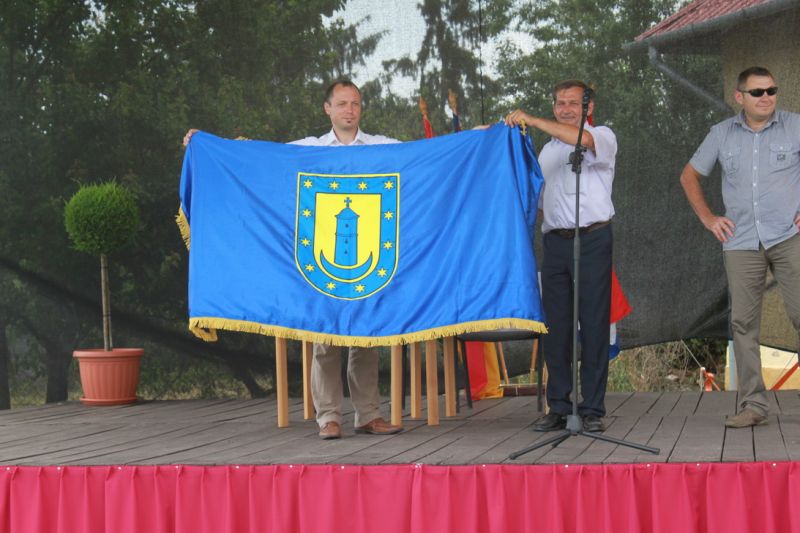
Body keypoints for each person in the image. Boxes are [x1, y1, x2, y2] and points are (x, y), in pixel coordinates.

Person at [184, 80, 403, 440]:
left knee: (367, 338)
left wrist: (476, 139)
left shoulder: (382, 147)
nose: (350, 110)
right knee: (325, 338)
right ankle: (328, 417)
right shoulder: (308, 149)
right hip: (321, 261)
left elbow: (429, 156)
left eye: (355, 103)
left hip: (371, 258)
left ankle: (369, 415)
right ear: (327, 109)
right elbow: (262, 160)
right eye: (342, 104)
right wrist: (211, 144)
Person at [680, 66, 800, 428]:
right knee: (743, 323)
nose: (766, 97)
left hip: (789, 237)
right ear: (739, 97)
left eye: (771, 91)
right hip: (741, 242)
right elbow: (689, 176)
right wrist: (708, 218)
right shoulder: (721, 134)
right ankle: (754, 406)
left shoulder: (795, 125)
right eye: (757, 92)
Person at [504, 80, 617, 433]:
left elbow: (584, 141)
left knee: (594, 324)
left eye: (573, 103)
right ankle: (559, 405)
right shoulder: (546, 152)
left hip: (593, 238)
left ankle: (592, 408)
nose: (565, 109)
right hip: (555, 242)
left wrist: (534, 121)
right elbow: (539, 203)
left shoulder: (603, 135)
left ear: (588, 108)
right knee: (555, 327)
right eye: (560, 103)